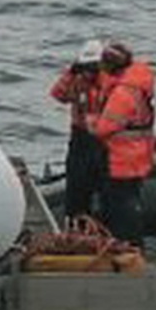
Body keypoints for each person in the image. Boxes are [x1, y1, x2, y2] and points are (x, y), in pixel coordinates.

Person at [91, 40, 156, 249]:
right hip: (138, 154)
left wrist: (91, 122)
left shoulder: (123, 93)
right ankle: (130, 245)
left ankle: (127, 246)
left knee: (121, 206)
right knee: (129, 202)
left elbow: (104, 128)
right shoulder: (139, 84)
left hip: (121, 157)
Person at [49, 39, 107, 224]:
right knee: (76, 190)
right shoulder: (77, 80)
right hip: (81, 139)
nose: (90, 71)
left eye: (94, 66)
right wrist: (71, 72)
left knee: (106, 190)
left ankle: (104, 228)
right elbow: (58, 94)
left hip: (105, 140)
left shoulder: (110, 82)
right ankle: (76, 228)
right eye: (86, 66)